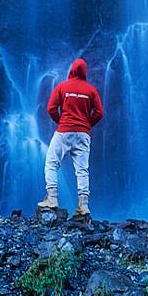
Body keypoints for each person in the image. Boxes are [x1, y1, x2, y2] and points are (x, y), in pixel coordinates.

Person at [37, 57, 104, 219]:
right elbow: (99, 112)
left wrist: (61, 122)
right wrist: (87, 124)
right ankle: (83, 205)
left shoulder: (62, 87)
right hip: (83, 134)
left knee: (52, 163)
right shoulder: (91, 90)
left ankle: (52, 198)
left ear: (71, 70)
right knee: (82, 170)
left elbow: (51, 108)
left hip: (64, 131)